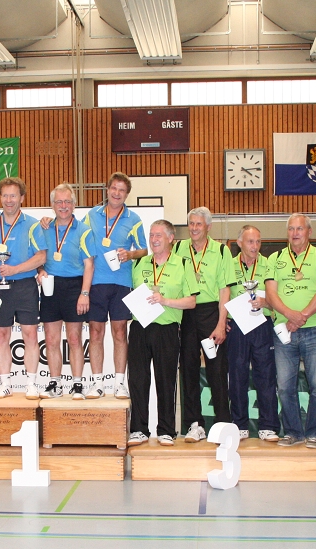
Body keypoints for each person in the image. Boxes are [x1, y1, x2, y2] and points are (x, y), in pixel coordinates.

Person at [126, 220, 198, 446]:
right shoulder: (139, 263)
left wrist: (165, 300)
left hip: (167, 328)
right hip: (139, 326)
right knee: (137, 379)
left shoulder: (183, 264)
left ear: (170, 239)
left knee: (166, 380)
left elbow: (191, 302)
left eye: (158, 235)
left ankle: (166, 430)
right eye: (151, 235)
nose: (154, 239)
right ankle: (139, 429)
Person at [265, 213, 316, 448]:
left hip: (314, 330)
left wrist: (301, 316)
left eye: (300, 229)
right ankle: (293, 432)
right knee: (285, 386)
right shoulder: (275, 258)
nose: (295, 233)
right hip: (284, 331)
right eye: (291, 229)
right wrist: (290, 315)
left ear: (309, 232)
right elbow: (271, 294)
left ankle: (314, 433)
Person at [82, 172, 147, 399]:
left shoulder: (134, 219)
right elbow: (78, 236)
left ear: (126, 194)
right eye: (114, 188)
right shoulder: (91, 215)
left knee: (120, 332)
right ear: (107, 189)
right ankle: (97, 383)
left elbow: (144, 250)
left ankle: (120, 383)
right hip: (96, 282)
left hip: (121, 282)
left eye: (122, 190)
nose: (117, 193)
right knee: (95, 332)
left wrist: (130, 254)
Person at [174, 207, 234, 442]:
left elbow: (225, 290)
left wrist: (221, 323)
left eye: (199, 224)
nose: (194, 228)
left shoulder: (221, 251)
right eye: (191, 223)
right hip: (186, 313)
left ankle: (222, 424)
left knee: (216, 371)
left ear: (208, 227)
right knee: (188, 370)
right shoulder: (178, 248)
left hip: (211, 313)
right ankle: (194, 425)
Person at [0, 177, 46, 399]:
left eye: (13, 195)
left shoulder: (33, 225)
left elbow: (41, 257)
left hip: (26, 286)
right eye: (5, 195)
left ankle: (31, 384)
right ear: (0, 198)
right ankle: (5, 384)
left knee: (30, 334)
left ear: (22, 198)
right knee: (1, 336)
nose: (9, 200)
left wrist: (15, 270)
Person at [37, 184, 94, 399]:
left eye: (67, 201)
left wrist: (84, 293)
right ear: (52, 205)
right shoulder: (44, 228)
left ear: (74, 205)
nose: (63, 206)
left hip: (74, 287)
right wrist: (40, 271)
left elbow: (89, 265)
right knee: (51, 340)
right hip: (50, 285)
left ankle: (78, 384)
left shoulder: (83, 230)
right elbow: (38, 257)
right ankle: (55, 384)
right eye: (59, 202)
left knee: (75, 338)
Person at [226, 225, 279, 442]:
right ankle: (239, 425)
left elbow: (278, 298)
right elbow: (223, 294)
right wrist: (223, 319)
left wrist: (266, 302)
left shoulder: (269, 264)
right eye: (250, 242)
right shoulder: (228, 265)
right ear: (239, 243)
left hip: (262, 323)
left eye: (258, 242)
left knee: (265, 376)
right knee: (237, 376)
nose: (255, 246)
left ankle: (268, 426)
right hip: (237, 325)